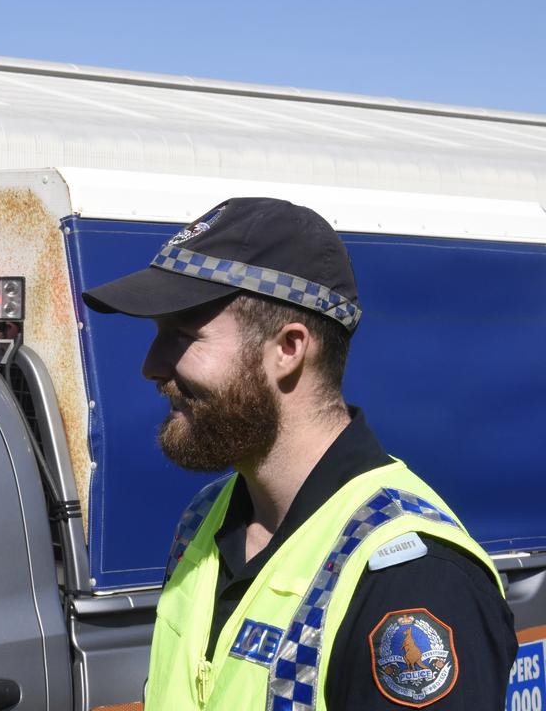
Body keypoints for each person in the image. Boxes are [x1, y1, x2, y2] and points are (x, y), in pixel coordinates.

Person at [82, 198, 515, 710]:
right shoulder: (203, 520)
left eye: (182, 336)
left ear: (288, 349)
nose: (151, 366)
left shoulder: (412, 578)